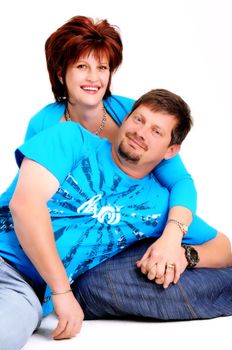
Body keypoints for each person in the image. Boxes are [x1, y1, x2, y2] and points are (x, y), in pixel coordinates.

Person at [0, 89, 231, 349]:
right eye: (138, 119)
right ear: (125, 119)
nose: (141, 133)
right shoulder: (70, 138)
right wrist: (62, 290)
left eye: (156, 131)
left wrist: (182, 252)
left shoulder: (157, 205)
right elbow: (25, 205)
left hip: (23, 290)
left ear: (171, 151)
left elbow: (224, 248)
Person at [1, 15, 197, 288]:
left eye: (102, 67)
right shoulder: (46, 125)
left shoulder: (133, 117)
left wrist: (172, 238)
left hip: (124, 222)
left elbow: (180, 182)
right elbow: (34, 199)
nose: (94, 78)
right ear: (61, 72)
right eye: (82, 66)